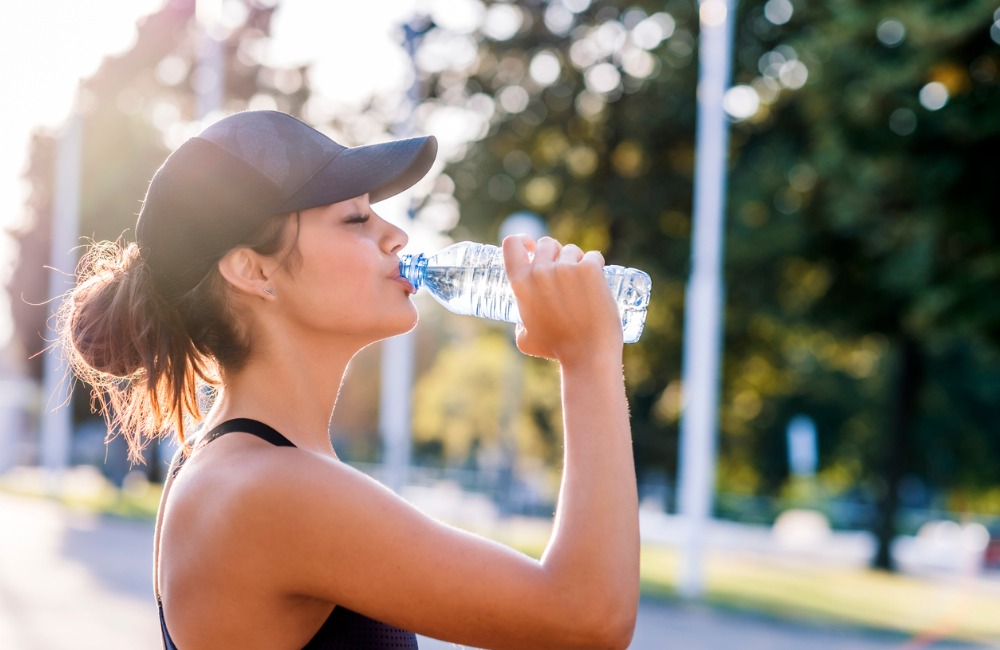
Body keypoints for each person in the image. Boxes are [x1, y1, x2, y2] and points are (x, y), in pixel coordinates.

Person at [59, 110, 639, 649]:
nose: (397, 236)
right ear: (254, 270)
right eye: (357, 218)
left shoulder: (245, 467)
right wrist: (587, 359)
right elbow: (586, 618)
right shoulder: (266, 490)